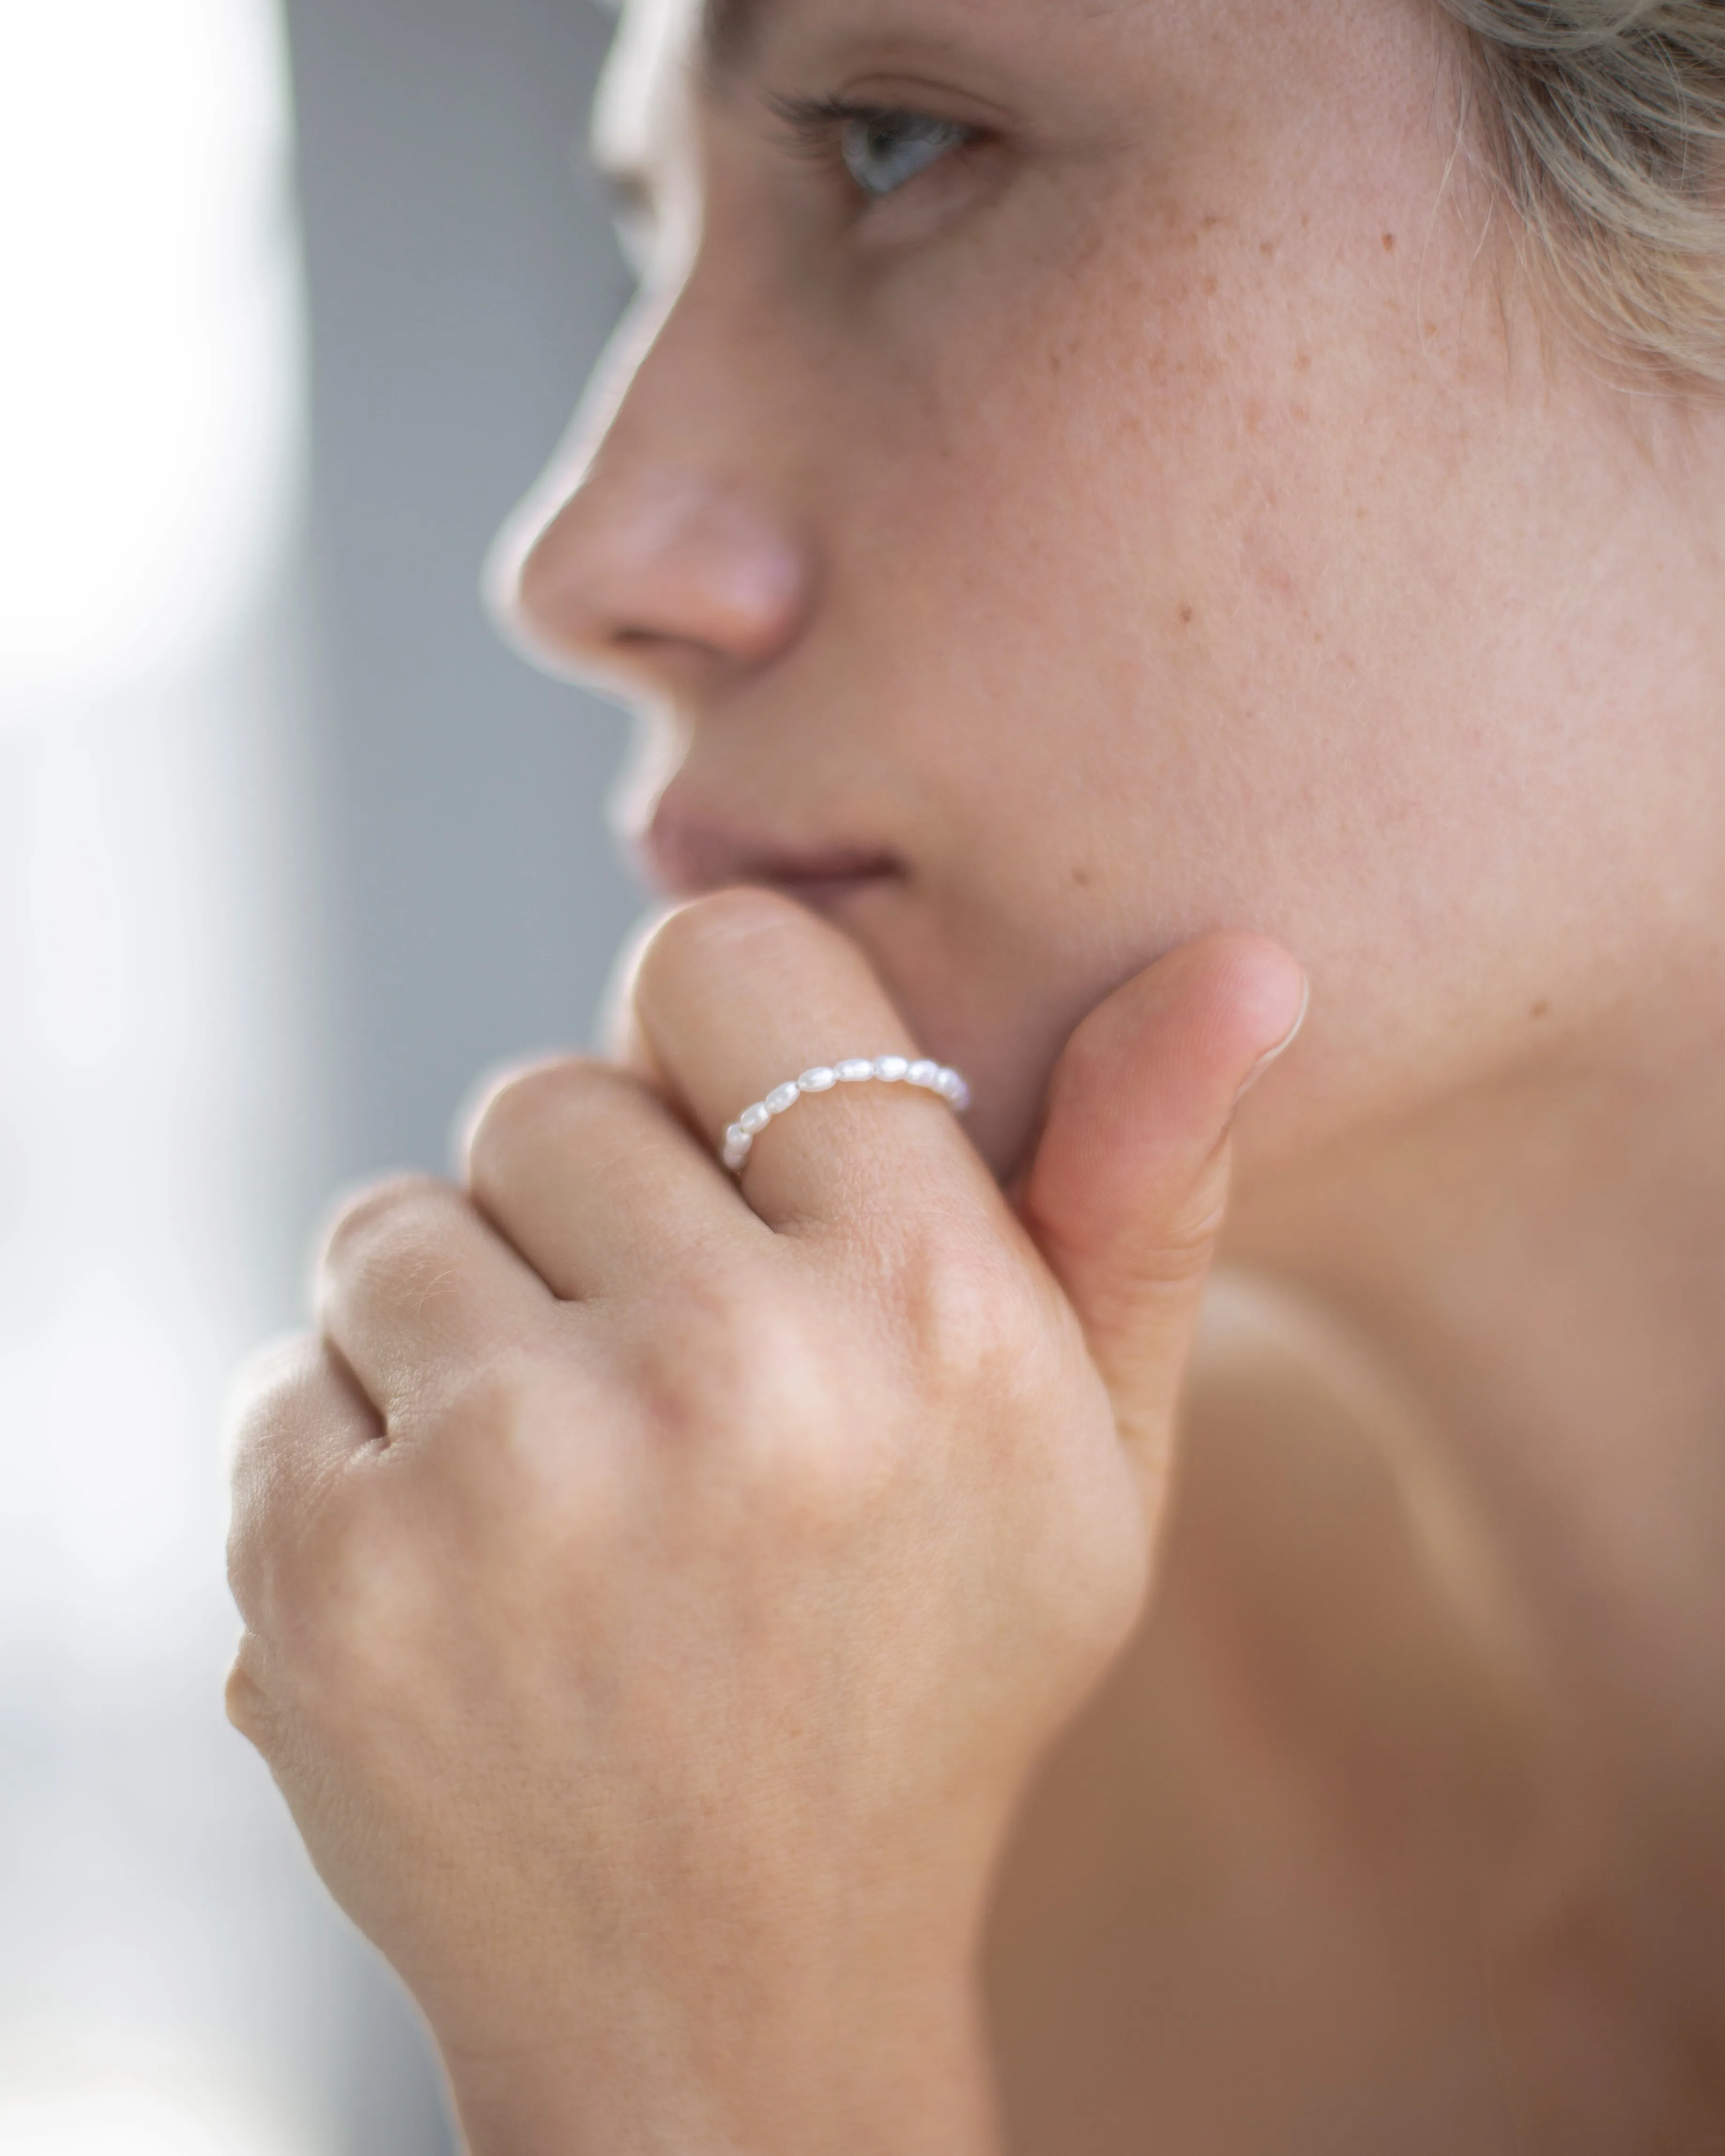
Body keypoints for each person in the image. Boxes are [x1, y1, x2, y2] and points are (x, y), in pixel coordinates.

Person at [222, 0, 1725, 2148]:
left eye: (901, 146)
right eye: (658, 244)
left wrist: (714, 2075)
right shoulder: (831, 1655)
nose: (578, 563)